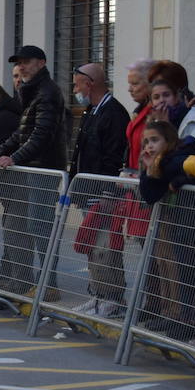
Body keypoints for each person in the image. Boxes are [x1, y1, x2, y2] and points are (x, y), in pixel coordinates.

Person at [0, 45, 69, 295]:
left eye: (27, 61)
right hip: (33, 167)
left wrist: (14, 157)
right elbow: (22, 132)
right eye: (18, 62)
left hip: (44, 167)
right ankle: (45, 282)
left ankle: (49, 284)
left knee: (41, 227)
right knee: (34, 225)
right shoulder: (31, 92)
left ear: (41, 63)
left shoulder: (46, 92)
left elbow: (41, 135)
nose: (21, 66)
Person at [67, 63, 131, 316]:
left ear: (90, 83)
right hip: (87, 190)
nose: (74, 89)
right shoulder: (91, 111)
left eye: (76, 84)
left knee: (106, 247)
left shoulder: (113, 113)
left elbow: (113, 157)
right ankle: (98, 294)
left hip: (103, 194)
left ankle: (113, 298)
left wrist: (107, 194)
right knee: (92, 247)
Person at [125, 59, 155, 170]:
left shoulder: (157, 112)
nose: (129, 89)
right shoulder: (140, 110)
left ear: (151, 83)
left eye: (135, 84)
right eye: (130, 84)